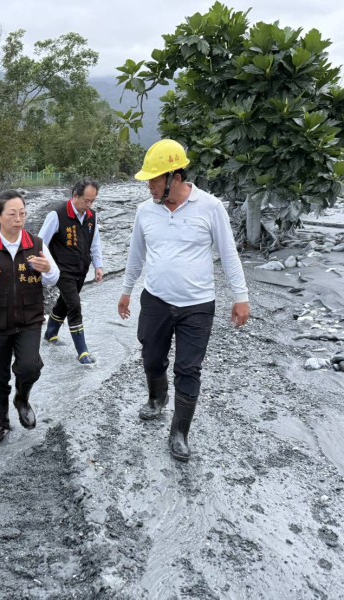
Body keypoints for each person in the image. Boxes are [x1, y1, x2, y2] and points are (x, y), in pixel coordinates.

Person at [117, 139, 250, 462]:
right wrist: (126, 290)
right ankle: (157, 398)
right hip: (156, 301)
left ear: (174, 177)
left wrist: (240, 296)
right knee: (151, 358)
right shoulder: (145, 211)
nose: (149, 185)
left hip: (197, 305)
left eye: (154, 179)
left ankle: (179, 432)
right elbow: (136, 255)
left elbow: (228, 253)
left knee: (188, 368)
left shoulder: (210, 207)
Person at [0, 190, 60, 442]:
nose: (19, 219)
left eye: (22, 214)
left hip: (29, 320)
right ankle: (1, 421)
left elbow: (53, 278)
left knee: (29, 366)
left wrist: (48, 269)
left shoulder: (35, 245)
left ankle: (22, 398)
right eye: (12, 214)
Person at [38, 177, 104, 365]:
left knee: (65, 302)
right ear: (75, 196)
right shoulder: (57, 215)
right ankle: (82, 352)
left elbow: (95, 243)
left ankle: (50, 333)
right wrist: (46, 268)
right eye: (86, 200)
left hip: (81, 269)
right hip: (61, 270)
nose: (89, 205)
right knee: (74, 304)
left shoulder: (91, 217)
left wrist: (98, 266)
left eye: (93, 201)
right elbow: (40, 243)